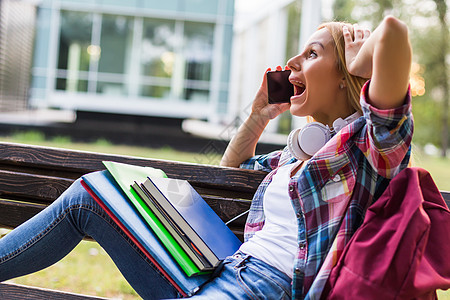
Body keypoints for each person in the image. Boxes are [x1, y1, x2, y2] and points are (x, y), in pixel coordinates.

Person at [0, 15, 413, 299]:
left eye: (312, 54)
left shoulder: (368, 148)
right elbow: (231, 171)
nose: (291, 63)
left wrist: (363, 59)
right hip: (221, 274)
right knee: (88, 195)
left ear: (346, 75)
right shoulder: (299, 153)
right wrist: (258, 116)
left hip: (263, 289)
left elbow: (393, 33)